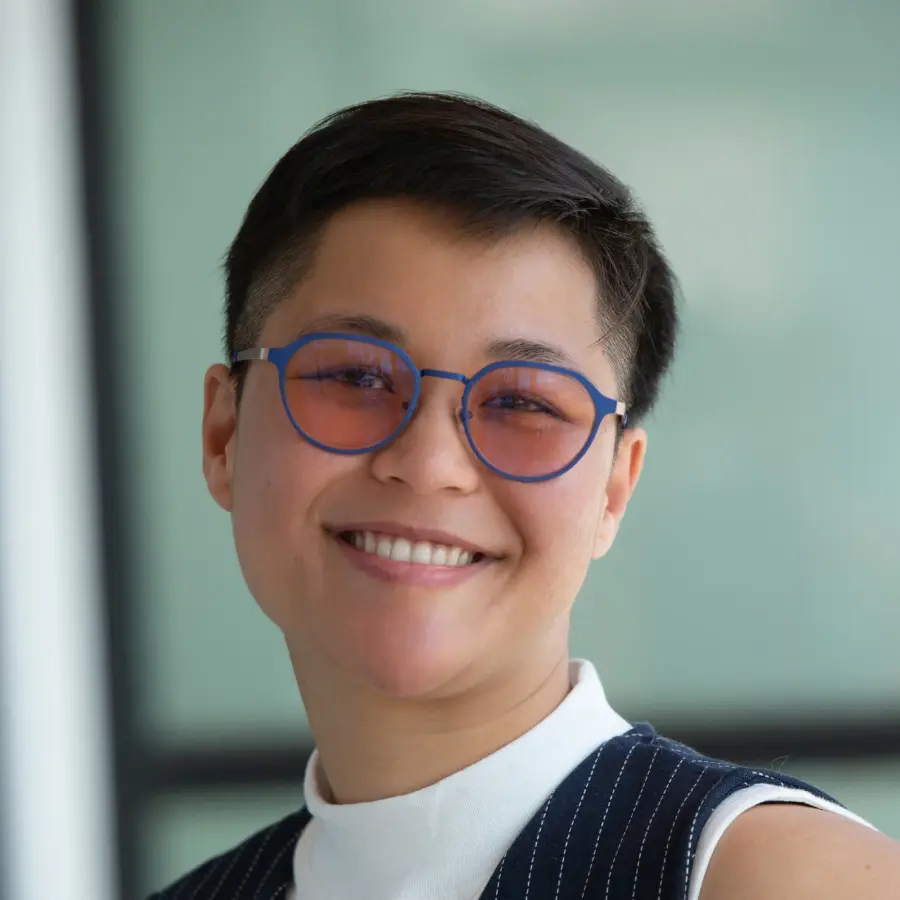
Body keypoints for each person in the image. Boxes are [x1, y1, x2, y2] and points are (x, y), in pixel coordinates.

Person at [149, 92, 900, 899]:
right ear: (224, 435)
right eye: (357, 377)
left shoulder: (778, 877)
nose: (429, 463)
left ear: (614, 489)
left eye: (522, 403)